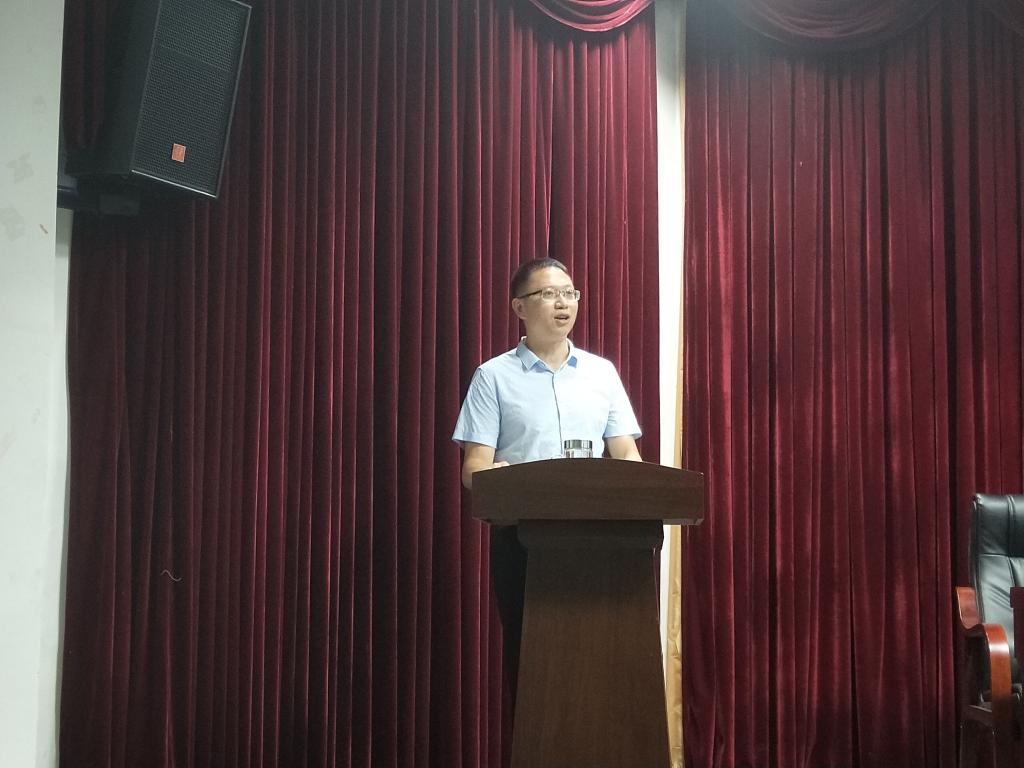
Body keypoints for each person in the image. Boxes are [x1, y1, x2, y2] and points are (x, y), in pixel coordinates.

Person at [451, 256, 642, 703]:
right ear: (520, 307)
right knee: (533, 669)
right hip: (524, 541)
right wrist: (513, 481)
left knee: (601, 667)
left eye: (570, 293)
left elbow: (627, 455)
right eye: (550, 294)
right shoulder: (493, 377)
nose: (563, 303)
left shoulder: (602, 373)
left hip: (601, 541)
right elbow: (474, 470)